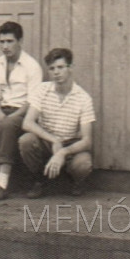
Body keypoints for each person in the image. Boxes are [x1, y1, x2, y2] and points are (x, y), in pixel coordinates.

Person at [18, 48, 95, 198]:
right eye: (52, 68)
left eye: (60, 67)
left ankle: (74, 181)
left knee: (83, 164)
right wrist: (53, 140)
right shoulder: (42, 90)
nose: (56, 72)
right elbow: (27, 123)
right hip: (47, 142)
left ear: (70, 68)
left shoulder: (83, 98)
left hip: (70, 145)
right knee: (26, 141)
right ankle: (39, 180)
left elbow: (87, 141)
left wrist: (63, 152)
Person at [0, 21, 43, 202]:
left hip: (21, 114)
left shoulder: (32, 66)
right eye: (2, 42)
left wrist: (8, 117)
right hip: (2, 111)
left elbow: (33, 102)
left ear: (20, 41)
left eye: (9, 41)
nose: (5, 46)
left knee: (7, 124)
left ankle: (1, 183)